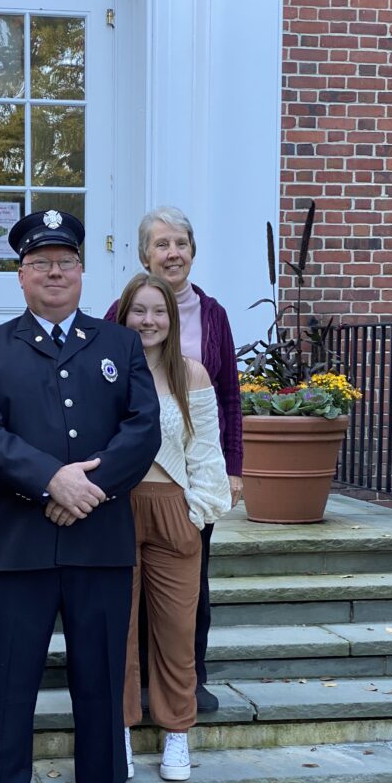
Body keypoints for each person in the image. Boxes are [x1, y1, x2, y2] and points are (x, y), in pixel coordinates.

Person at [0, 210, 160, 783]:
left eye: (64, 261)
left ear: (81, 270)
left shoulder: (119, 345)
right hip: (17, 548)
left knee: (101, 684)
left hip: (99, 542)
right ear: (20, 274)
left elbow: (142, 429)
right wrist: (51, 482)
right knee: (9, 688)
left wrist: (87, 491)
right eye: (40, 262)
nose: (53, 272)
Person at [105, 206, 243, 713]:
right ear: (145, 255)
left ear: (192, 251)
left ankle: (189, 680)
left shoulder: (213, 315)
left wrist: (231, 468)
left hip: (190, 476)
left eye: (181, 243)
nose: (173, 252)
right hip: (130, 485)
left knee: (189, 588)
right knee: (129, 591)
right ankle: (134, 688)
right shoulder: (118, 316)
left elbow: (227, 396)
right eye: (162, 244)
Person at [116, 273, 231, 781]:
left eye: (157, 311)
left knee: (177, 631)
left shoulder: (193, 375)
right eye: (138, 311)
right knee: (116, 631)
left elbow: (206, 452)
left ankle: (176, 735)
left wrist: (197, 512)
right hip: (116, 507)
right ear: (124, 316)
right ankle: (116, 729)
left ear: (172, 317)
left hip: (173, 508)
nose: (148, 321)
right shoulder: (107, 371)